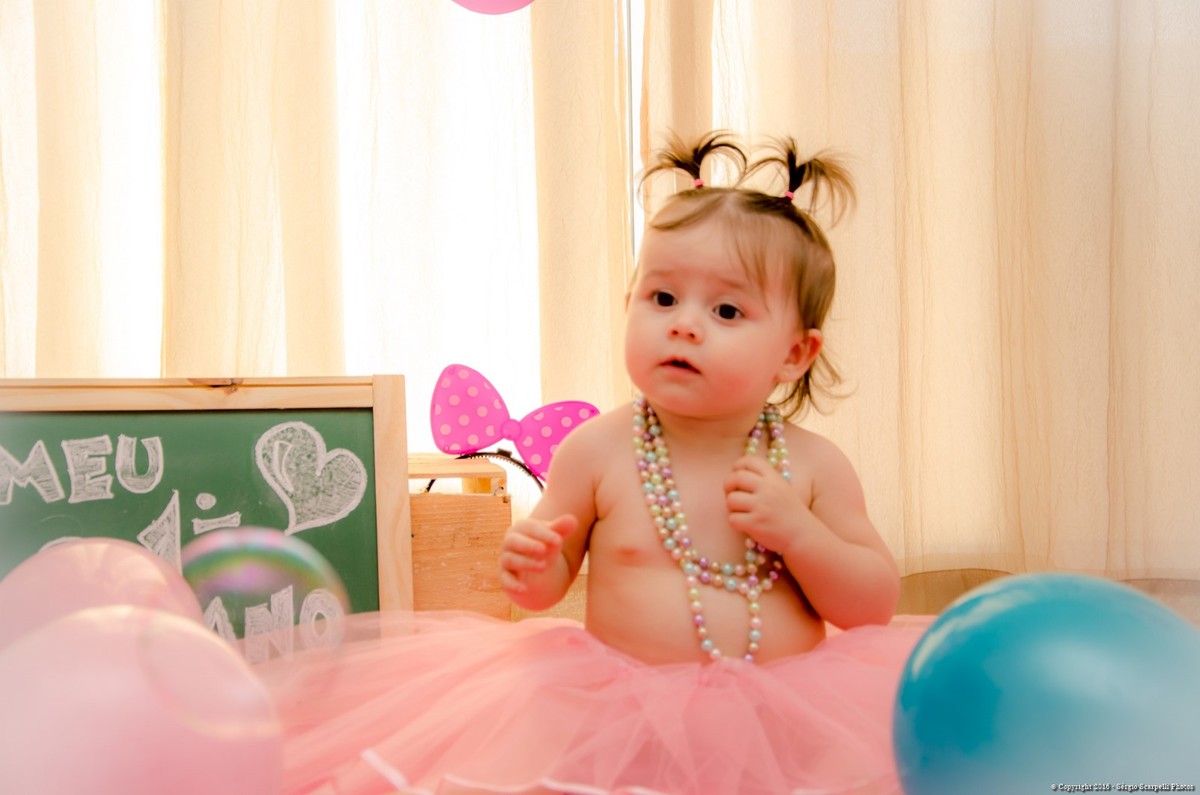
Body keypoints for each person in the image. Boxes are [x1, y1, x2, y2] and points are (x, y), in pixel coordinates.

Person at [262, 132, 932, 795]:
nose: (684, 323)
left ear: (794, 354)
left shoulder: (812, 466)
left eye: (727, 309)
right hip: (622, 721)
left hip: (779, 726)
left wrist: (799, 534)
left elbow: (873, 605)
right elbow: (546, 584)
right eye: (662, 298)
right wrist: (533, 566)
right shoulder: (600, 449)